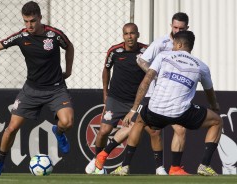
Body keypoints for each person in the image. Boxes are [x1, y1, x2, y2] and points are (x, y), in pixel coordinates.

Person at [0, 1, 74, 176]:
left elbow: (69, 47)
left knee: (67, 122)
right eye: (26, 21)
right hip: (31, 90)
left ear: (40, 18)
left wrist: (68, 70)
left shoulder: (54, 35)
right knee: (11, 128)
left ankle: (58, 131)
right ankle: (0, 162)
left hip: (55, 89)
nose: (29, 25)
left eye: (33, 21)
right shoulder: (21, 37)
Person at [114, 30, 223, 176]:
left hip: (155, 110)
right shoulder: (202, 66)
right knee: (217, 122)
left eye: (173, 45)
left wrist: (134, 109)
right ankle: (204, 165)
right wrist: (214, 107)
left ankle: (124, 166)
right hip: (181, 114)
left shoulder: (163, 56)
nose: (172, 47)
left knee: (139, 122)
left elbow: (146, 82)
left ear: (178, 44)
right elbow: (210, 92)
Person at [85, 23, 167, 175]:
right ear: (123, 36)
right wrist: (105, 95)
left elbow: (155, 71)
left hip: (138, 101)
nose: (130, 37)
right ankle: (98, 162)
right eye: (126, 34)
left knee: (154, 131)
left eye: (132, 33)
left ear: (138, 34)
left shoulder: (147, 51)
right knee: (104, 130)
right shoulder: (114, 51)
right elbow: (106, 70)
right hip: (116, 99)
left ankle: (159, 168)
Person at [135, 12, 190, 175]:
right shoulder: (161, 43)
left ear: (187, 28)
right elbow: (141, 60)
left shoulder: (186, 45)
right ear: (171, 26)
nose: (177, 30)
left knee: (180, 129)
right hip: (155, 94)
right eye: (175, 27)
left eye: (181, 28)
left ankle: (174, 168)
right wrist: (156, 74)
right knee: (136, 126)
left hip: (174, 96)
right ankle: (105, 157)